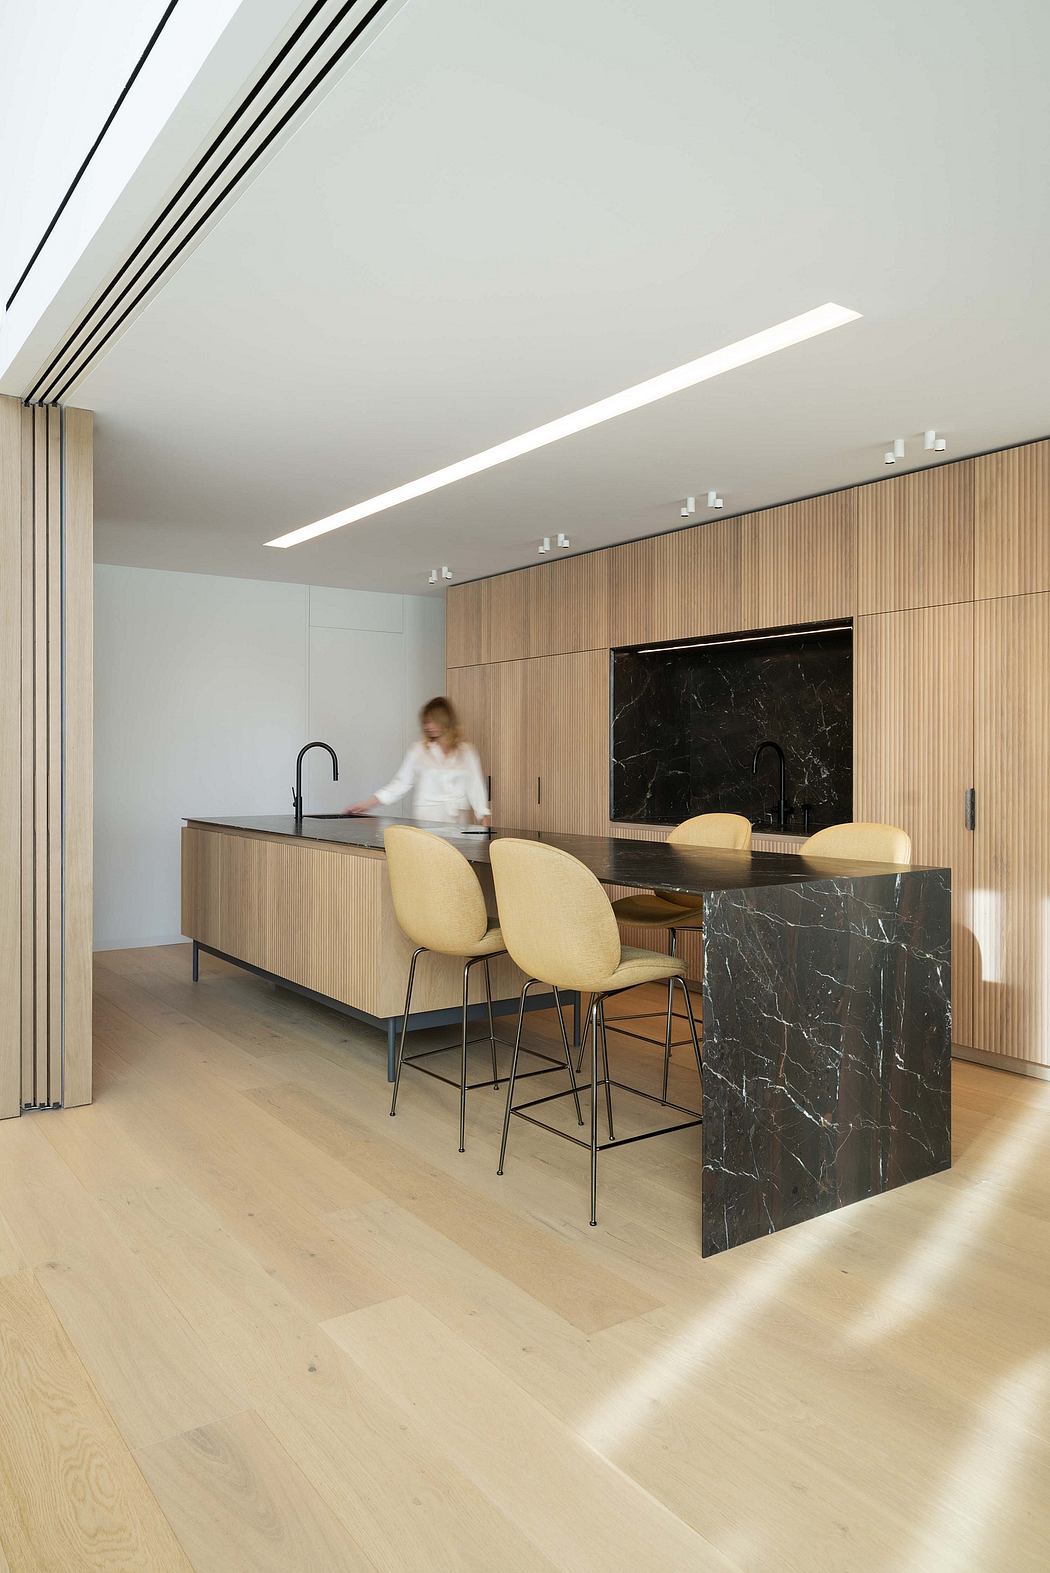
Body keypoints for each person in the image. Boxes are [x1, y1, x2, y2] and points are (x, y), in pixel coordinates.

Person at [346, 696, 490, 825]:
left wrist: (484, 820)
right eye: (426, 722)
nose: (428, 727)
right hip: (427, 822)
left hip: (458, 823)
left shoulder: (467, 752)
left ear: (445, 720)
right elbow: (399, 784)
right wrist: (366, 804)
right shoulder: (418, 751)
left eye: (432, 721)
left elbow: (475, 787)